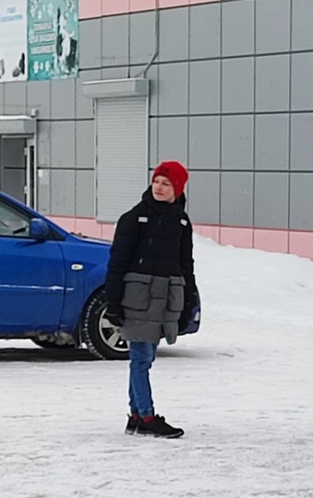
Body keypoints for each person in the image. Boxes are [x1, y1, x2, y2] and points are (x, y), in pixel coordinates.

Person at [103, 161, 196, 439]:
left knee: (145, 358)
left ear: (177, 188)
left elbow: (185, 263)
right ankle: (146, 416)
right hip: (139, 297)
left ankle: (136, 416)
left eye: (166, 183)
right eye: (156, 181)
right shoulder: (134, 217)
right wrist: (113, 301)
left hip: (166, 296)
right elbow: (117, 262)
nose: (159, 187)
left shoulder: (181, 221)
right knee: (141, 358)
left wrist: (188, 301)